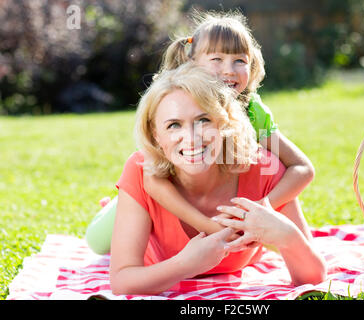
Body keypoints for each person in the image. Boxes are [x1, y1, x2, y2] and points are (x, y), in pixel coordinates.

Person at [85, 10, 315, 254]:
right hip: (162, 192)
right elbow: (151, 181)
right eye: (216, 59)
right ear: (192, 63)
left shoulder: (254, 112)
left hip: (213, 195)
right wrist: (206, 225)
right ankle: (114, 207)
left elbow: (301, 168)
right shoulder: (175, 100)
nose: (229, 70)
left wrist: (264, 206)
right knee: (98, 243)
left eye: (240, 60)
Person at [109, 62, 325, 295]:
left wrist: (289, 236)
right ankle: (110, 209)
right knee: (100, 236)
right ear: (155, 135)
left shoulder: (262, 166)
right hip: (133, 208)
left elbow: (313, 277)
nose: (191, 138)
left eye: (203, 120)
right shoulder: (140, 170)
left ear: (224, 121)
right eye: (174, 125)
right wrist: (184, 265)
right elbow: (122, 281)